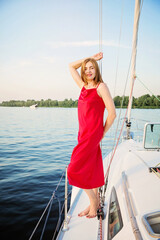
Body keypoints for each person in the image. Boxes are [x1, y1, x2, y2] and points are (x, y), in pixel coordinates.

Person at [67, 52, 116, 218]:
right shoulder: (82, 87)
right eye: (86, 68)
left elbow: (112, 114)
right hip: (82, 135)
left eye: (91, 68)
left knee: (73, 170)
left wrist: (101, 133)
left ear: (96, 70)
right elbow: (70, 66)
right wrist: (90, 58)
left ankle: (94, 202)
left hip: (92, 135)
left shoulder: (100, 87)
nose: (88, 71)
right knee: (93, 168)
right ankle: (92, 205)